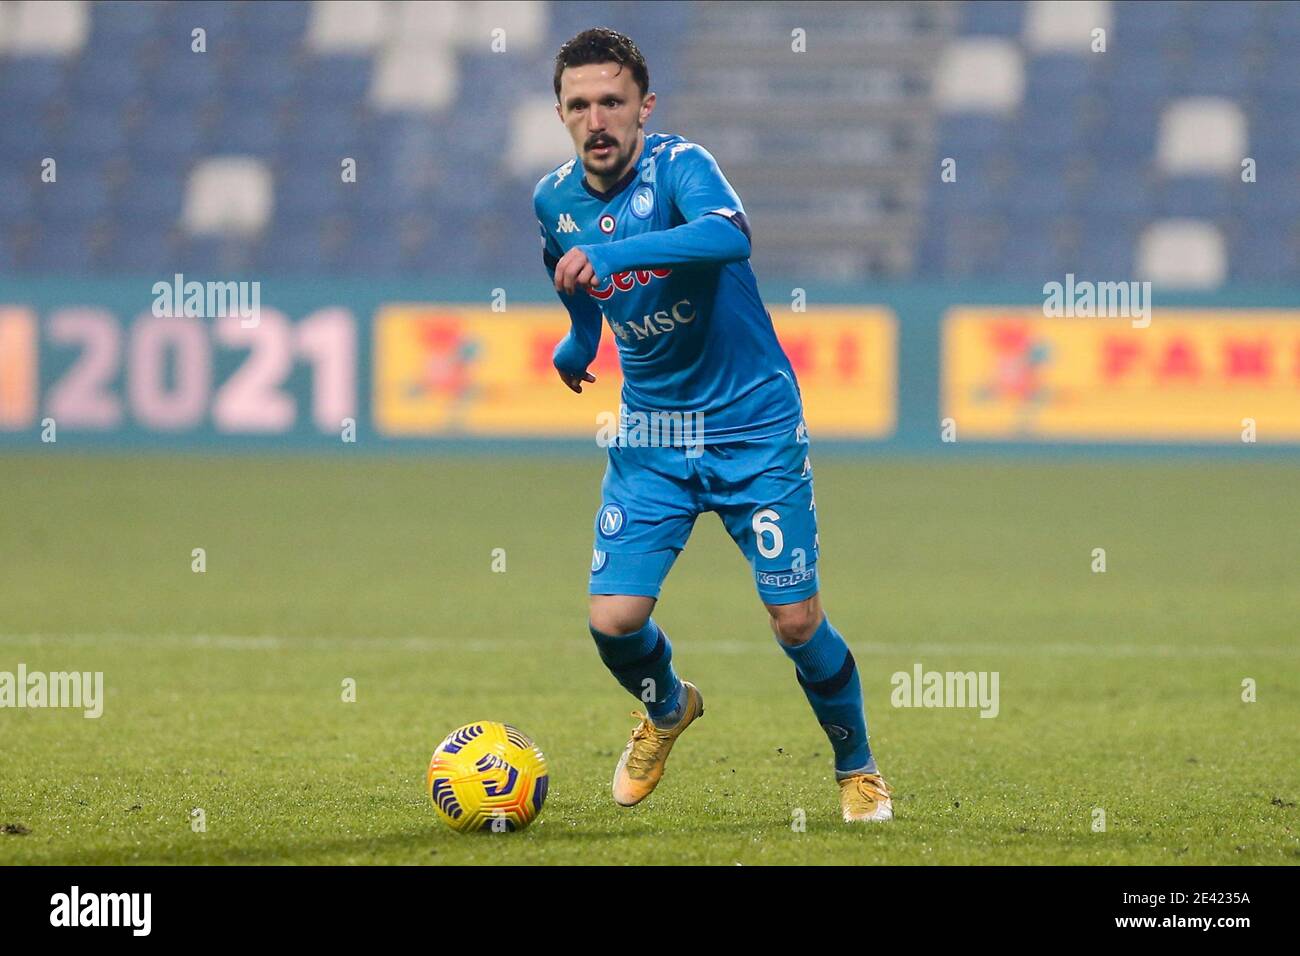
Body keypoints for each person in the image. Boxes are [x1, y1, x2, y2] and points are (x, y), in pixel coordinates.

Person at [533, 27, 892, 822]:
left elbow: (730, 236)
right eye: (579, 104)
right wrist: (579, 340)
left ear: (643, 107)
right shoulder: (553, 197)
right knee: (613, 622)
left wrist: (621, 252)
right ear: (560, 112)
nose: (597, 119)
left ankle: (857, 768)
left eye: (613, 102)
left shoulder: (682, 167)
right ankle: (668, 706)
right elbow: (570, 272)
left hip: (751, 424)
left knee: (796, 620)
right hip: (652, 436)